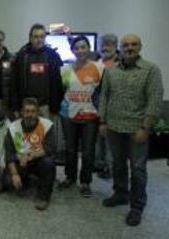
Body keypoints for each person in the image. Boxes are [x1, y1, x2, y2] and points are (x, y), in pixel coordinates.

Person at [99, 34, 164, 226]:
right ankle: (120, 194)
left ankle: (137, 207)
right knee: (117, 164)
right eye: (125, 45)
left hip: (137, 128)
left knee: (137, 169)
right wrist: (102, 121)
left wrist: (145, 127)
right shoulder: (111, 71)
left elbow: (155, 100)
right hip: (113, 127)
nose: (129, 48)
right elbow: (104, 97)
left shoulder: (151, 70)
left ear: (140, 47)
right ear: (120, 47)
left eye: (134, 44)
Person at [57, 36, 104, 197]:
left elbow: (103, 93)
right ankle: (70, 177)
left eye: (83, 47)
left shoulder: (99, 68)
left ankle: (85, 182)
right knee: (70, 150)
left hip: (90, 117)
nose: (80, 50)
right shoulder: (65, 69)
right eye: (77, 48)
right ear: (72, 50)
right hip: (68, 115)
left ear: (89, 48)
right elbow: (61, 91)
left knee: (88, 152)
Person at [5, 98, 57, 210]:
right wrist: (14, 174)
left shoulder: (47, 125)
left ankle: (44, 197)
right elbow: (8, 154)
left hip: (39, 160)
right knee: (8, 182)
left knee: (48, 162)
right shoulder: (13, 127)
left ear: (37, 112)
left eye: (33, 111)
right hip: (21, 162)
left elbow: (50, 148)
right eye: (27, 111)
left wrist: (30, 155)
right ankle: (30, 180)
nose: (30, 114)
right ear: (21, 113)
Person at [11, 23, 64, 119]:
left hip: (46, 107)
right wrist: (16, 107)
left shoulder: (52, 56)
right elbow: (14, 83)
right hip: (27, 106)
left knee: (46, 134)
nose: (39, 40)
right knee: (27, 134)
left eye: (42, 36)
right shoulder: (21, 56)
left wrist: (55, 108)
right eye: (36, 36)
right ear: (30, 38)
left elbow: (58, 83)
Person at [94, 34, 119, 179]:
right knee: (99, 139)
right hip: (97, 108)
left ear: (116, 46)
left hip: (114, 109)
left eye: (109, 44)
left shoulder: (122, 63)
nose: (105, 47)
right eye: (102, 44)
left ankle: (111, 169)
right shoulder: (97, 62)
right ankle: (100, 165)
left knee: (111, 142)